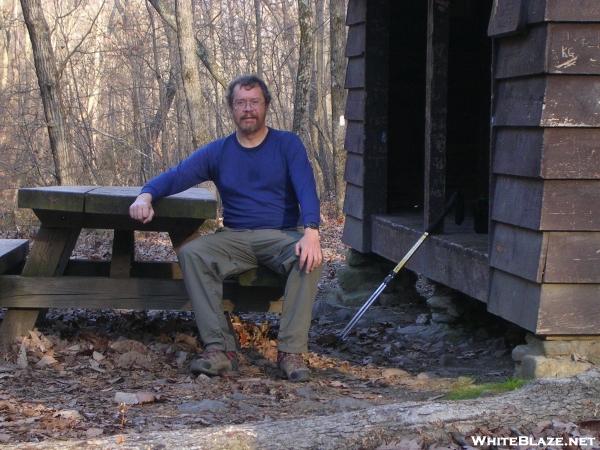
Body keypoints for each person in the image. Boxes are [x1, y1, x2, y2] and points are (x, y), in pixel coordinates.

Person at [129, 75, 323, 382]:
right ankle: (220, 349)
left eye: (254, 102)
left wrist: (311, 231)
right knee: (193, 253)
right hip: (234, 237)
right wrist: (146, 194)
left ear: (266, 106)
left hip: (282, 235)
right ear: (231, 109)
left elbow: (306, 189)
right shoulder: (219, 151)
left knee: (310, 259)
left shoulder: (287, 145)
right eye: (241, 103)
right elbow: (178, 175)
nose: (248, 109)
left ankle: (290, 352)